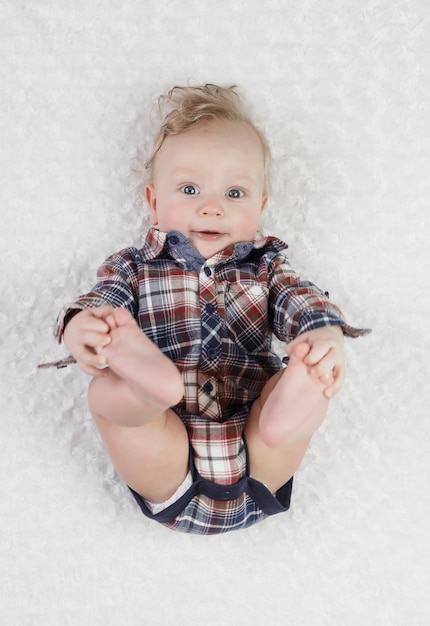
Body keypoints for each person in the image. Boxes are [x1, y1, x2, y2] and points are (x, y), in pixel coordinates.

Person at [43, 84, 369, 535]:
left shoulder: (267, 266)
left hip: (259, 452)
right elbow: (101, 301)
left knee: (292, 388)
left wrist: (321, 336)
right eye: (190, 188)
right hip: (169, 463)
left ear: (261, 209)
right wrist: (87, 327)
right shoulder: (135, 267)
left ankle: (298, 389)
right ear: (154, 202)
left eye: (235, 193)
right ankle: (148, 389)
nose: (212, 207)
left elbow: (299, 296)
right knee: (108, 397)